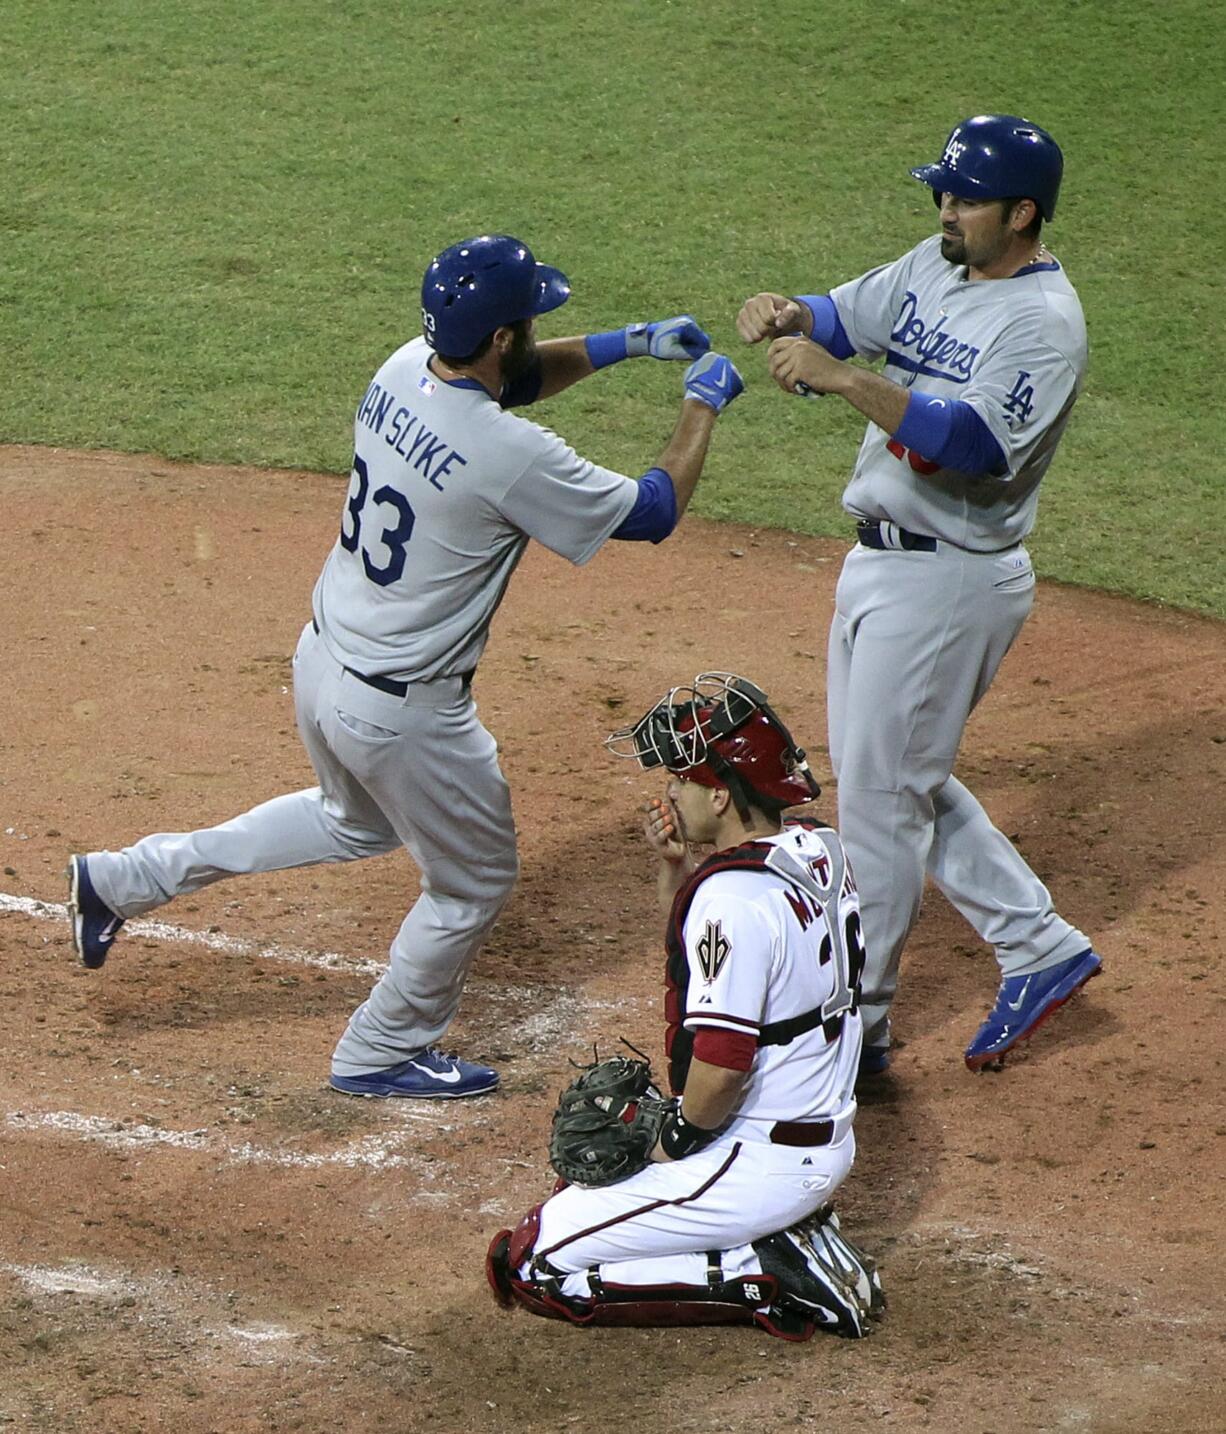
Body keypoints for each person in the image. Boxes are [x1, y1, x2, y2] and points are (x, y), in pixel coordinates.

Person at [67, 233, 745, 1100]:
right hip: (403, 711)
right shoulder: (511, 455)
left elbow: (522, 378)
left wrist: (632, 341)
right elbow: (652, 512)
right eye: (529, 319)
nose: (536, 331)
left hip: (323, 664)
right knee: (474, 883)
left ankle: (126, 877)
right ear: (500, 336)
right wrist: (701, 405)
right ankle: (382, 1047)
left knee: (351, 822)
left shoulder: (402, 369)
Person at [735, 115, 1102, 1075]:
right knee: (895, 781)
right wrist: (788, 314)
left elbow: (974, 445)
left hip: (950, 580)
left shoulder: (1042, 323)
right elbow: (844, 312)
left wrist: (843, 380)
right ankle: (1039, 946)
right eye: (941, 191)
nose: (946, 209)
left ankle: (857, 1028)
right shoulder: (938, 263)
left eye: (966, 198)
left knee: (881, 807)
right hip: (881, 564)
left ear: (1022, 214)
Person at [486, 673, 883, 1341]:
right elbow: (721, 963)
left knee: (530, 1261)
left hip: (756, 1157)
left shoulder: (729, 898)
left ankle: (762, 1269)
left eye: (683, 778)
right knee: (582, 1196)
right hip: (812, 1136)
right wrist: (677, 869)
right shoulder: (819, 848)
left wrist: (674, 1139)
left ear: (720, 795)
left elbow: (723, 1065)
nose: (670, 790)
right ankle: (780, 1230)